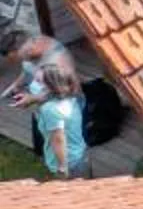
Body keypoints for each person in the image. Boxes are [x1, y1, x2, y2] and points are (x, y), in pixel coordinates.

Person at [6, 33, 85, 176]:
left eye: (39, 79)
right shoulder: (30, 55)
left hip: (68, 153)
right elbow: (27, 70)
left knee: (64, 139)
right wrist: (16, 85)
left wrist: (62, 168)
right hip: (51, 112)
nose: (35, 77)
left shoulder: (58, 60)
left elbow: (58, 138)